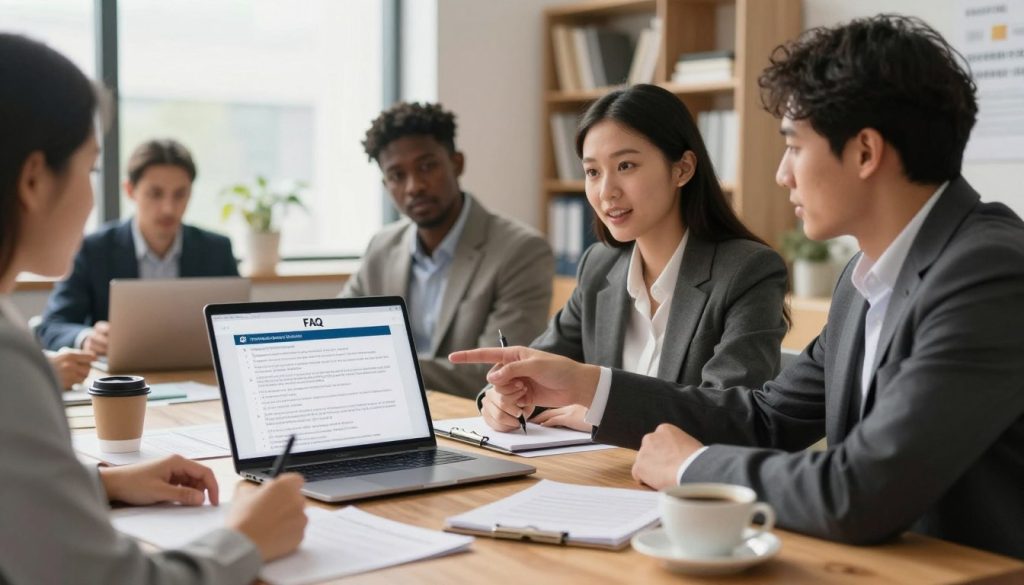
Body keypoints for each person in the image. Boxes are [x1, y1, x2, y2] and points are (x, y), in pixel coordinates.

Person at [451, 15, 1024, 560]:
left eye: (795, 146)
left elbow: (863, 490)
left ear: (866, 152)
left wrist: (694, 468)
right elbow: (765, 419)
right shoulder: (864, 278)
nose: (782, 173)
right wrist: (587, 384)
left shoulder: (989, 273)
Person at [0, 33, 307, 583]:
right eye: (91, 170)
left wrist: (106, 482)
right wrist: (246, 541)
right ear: (32, 179)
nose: (93, 200)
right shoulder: (8, 353)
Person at [479, 84, 788, 435]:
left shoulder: (748, 271)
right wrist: (501, 398)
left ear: (682, 169)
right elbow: (533, 371)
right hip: (600, 474)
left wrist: (603, 406)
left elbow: (731, 415)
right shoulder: (600, 265)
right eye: (593, 172)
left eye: (625, 165)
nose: (606, 191)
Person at [340, 102, 554, 398]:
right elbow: (338, 339)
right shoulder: (381, 247)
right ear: (385, 184)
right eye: (397, 175)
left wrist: (382, 368)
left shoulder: (521, 250)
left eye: (427, 167)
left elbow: (498, 370)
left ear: (456, 163)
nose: (414, 186)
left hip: (472, 420)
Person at [35, 138, 239, 354]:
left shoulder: (217, 249)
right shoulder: (93, 249)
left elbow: (241, 323)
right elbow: (52, 325)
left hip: (200, 376)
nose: (168, 208)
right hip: (121, 381)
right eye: (155, 194)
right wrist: (86, 338)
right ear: (130, 190)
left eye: (180, 194)